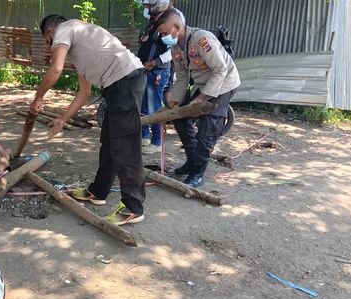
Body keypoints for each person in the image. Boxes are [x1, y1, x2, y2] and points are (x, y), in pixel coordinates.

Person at [29, 15, 146, 226]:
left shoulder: (65, 28)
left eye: (49, 43)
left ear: (49, 33)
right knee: (110, 143)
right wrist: (63, 119)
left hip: (125, 82)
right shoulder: (82, 47)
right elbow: (84, 93)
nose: (52, 47)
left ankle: (133, 207)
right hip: (118, 86)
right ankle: (98, 192)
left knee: (125, 146)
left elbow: (55, 69)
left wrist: (38, 97)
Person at [157, 8, 240, 187]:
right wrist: (174, 104)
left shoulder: (202, 40)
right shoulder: (175, 46)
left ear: (176, 27)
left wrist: (201, 98)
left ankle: (198, 171)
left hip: (224, 83)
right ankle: (192, 160)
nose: (163, 37)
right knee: (179, 118)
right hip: (204, 84)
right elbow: (181, 77)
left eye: (164, 33)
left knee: (209, 126)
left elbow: (221, 70)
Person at [137, 0, 172, 154]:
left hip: (158, 71)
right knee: (144, 104)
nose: (146, 8)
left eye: (148, 5)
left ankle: (157, 142)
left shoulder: (168, 24)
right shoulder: (152, 22)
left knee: (154, 106)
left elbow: (172, 51)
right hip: (146, 69)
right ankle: (144, 136)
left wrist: (154, 62)